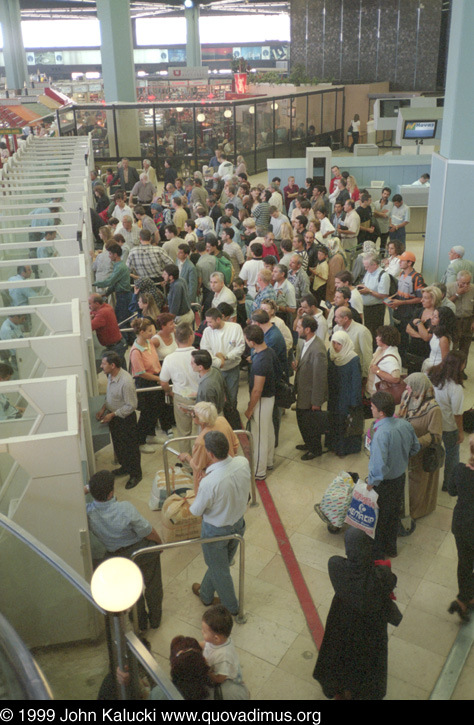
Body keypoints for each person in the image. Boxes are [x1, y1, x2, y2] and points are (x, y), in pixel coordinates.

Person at [313, 527, 402, 700]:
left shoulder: (337, 567)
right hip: (370, 626)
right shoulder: (380, 575)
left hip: (342, 620)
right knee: (365, 661)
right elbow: (392, 580)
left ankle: (340, 690)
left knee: (342, 656)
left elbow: (338, 561)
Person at [86, 470, 162, 631]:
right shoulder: (125, 509)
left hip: (117, 557)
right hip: (141, 552)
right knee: (153, 585)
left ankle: (139, 622)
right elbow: (148, 531)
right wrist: (159, 545)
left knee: (133, 589)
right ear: (111, 493)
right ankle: (155, 619)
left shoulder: (88, 513)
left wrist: (88, 488)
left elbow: (71, 497)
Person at [189, 431, 251, 615]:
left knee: (221, 571)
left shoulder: (210, 482)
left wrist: (200, 487)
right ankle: (206, 594)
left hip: (215, 532)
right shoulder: (242, 463)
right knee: (219, 565)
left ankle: (232, 608)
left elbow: (195, 511)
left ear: (210, 454)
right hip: (238, 525)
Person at [367, 391, 420, 559]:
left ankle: (378, 554)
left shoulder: (381, 434)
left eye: (373, 407)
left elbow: (379, 465)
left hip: (384, 484)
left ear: (381, 412)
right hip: (399, 478)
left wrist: (371, 482)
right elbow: (416, 447)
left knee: (380, 519)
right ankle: (391, 548)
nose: (371, 408)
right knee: (393, 514)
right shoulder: (404, 424)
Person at [398, 373, 443, 520]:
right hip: (406, 450)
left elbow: (435, 435)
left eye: (411, 385)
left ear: (419, 387)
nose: (407, 388)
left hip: (421, 453)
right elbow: (400, 415)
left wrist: (416, 442)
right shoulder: (407, 396)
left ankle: (417, 511)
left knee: (419, 485)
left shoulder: (433, 409)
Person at [96, 352, 142, 490]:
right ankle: (125, 467)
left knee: (130, 448)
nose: (101, 366)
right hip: (114, 417)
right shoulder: (110, 374)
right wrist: (104, 408)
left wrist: (113, 414)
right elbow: (111, 395)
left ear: (113, 365)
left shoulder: (126, 382)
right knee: (119, 446)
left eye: (103, 363)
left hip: (125, 419)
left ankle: (135, 474)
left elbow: (131, 405)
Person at [244, 324, 279, 480]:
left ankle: (259, 470)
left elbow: (257, 390)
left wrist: (250, 408)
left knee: (258, 437)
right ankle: (269, 461)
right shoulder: (269, 352)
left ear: (252, 342)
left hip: (262, 401)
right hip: (270, 398)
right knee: (268, 430)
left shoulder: (260, 362)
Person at [178, 402, 238, 491]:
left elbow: (198, 466)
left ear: (201, 420)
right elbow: (235, 444)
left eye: (193, 414)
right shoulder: (222, 420)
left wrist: (187, 456)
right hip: (230, 471)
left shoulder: (201, 441)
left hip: (212, 480)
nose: (191, 414)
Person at [159, 323, 200, 453]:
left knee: (184, 433)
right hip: (201, 397)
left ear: (176, 339)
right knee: (204, 432)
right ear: (191, 336)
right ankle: (203, 461)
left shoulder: (169, 358)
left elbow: (163, 382)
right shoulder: (200, 355)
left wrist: (169, 392)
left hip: (181, 398)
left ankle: (188, 464)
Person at [429, 351, 465, 492]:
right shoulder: (455, 387)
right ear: (459, 366)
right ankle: (449, 485)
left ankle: (428, 481)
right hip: (448, 425)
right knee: (452, 454)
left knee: (431, 450)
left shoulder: (433, 375)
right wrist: (460, 432)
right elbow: (457, 413)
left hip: (432, 421)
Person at [447, 436, 474, 622]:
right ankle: (464, 598)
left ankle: (465, 598)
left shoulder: (459, 470)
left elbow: (451, 491)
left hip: (461, 524)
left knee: (464, 562)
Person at [294, 315, 327, 460]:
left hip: (310, 395)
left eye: (299, 327)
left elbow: (319, 379)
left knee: (310, 424)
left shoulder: (318, 350)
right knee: (302, 420)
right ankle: (308, 443)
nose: (296, 329)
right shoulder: (302, 342)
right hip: (302, 390)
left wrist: (316, 402)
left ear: (307, 329)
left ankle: (315, 449)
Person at [129, 318, 164, 453]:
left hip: (156, 379)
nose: (152, 333)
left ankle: (151, 435)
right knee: (147, 413)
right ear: (141, 332)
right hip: (146, 383)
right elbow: (141, 373)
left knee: (156, 409)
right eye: (149, 331)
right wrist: (158, 379)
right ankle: (140, 440)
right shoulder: (135, 351)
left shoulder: (150, 343)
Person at [201, 605, 250, 700]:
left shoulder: (223, 656)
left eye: (204, 631)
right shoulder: (221, 639)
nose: (201, 632)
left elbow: (220, 678)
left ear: (216, 638)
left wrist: (207, 672)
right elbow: (206, 644)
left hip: (228, 678)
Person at [327, 331, 363, 457]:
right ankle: (332, 445)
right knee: (333, 419)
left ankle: (343, 448)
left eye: (339, 344)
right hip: (334, 394)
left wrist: (354, 402)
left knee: (344, 422)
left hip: (346, 396)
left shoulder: (353, 359)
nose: (336, 346)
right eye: (334, 343)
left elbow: (356, 382)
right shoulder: (331, 354)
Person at [200, 308, 245, 409]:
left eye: (210, 322)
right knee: (216, 397)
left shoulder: (235, 328)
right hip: (215, 370)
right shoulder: (207, 331)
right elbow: (205, 350)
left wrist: (226, 357)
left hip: (232, 369)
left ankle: (232, 417)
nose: (208, 324)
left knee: (232, 396)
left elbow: (240, 347)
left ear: (218, 319)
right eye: (207, 322)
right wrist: (219, 361)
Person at [357, 252, 390, 346]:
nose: (365, 268)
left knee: (375, 332)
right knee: (367, 331)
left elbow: (384, 296)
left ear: (374, 264)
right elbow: (366, 284)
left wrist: (369, 291)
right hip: (366, 307)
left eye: (367, 266)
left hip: (376, 308)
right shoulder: (368, 272)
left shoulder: (383, 276)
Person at [89, 294, 127, 370]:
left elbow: (90, 326)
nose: (89, 306)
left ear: (97, 304)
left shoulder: (102, 313)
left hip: (115, 347)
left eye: (90, 304)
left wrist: (90, 318)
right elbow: (93, 313)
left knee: (114, 371)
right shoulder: (106, 306)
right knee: (121, 369)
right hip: (118, 344)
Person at [366, 325, 402, 400]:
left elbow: (395, 378)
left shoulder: (390, 359)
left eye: (379, 336)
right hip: (377, 392)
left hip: (381, 394)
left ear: (386, 338)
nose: (376, 338)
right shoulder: (380, 349)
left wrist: (377, 371)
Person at [447, 271, 474, 362]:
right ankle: (451, 370)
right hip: (454, 320)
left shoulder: (473, 289)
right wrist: (457, 294)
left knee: (465, 347)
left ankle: (461, 370)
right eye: (463, 283)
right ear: (457, 280)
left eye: (468, 283)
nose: (466, 285)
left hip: (468, 321)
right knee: (453, 346)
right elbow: (445, 304)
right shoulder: (449, 287)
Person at [420, 306, 455, 373]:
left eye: (435, 317)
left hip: (437, 370)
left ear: (443, 320)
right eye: (432, 315)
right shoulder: (435, 331)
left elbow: (445, 361)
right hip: (431, 363)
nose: (431, 318)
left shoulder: (443, 339)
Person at [191, 350, 226, 414]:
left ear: (200, 367)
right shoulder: (215, 370)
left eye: (192, 363)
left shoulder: (206, 387)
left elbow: (207, 413)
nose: (191, 364)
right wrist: (199, 394)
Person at [373, 188, 393, 254]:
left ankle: (381, 258)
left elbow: (385, 216)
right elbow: (373, 215)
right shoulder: (375, 203)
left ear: (389, 195)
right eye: (384, 193)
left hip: (384, 228)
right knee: (373, 244)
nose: (385, 195)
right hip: (376, 227)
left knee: (383, 245)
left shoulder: (390, 204)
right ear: (382, 194)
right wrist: (382, 213)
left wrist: (376, 212)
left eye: (387, 194)